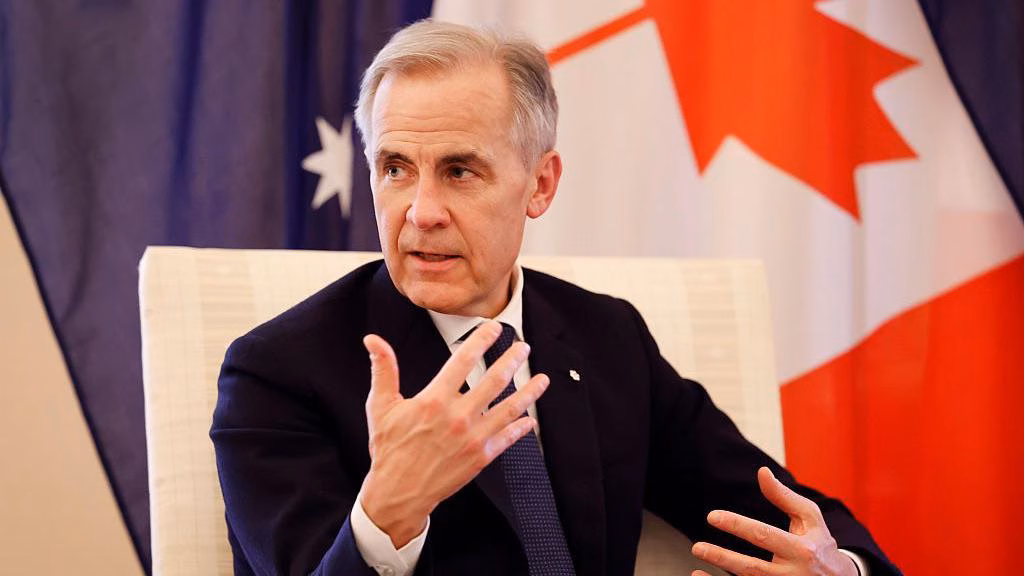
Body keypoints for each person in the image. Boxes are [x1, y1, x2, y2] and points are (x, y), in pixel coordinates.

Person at [211, 19, 900, 576]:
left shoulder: (607, 336)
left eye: (459, 171)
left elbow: (777, 512)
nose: (421, 211)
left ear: (539, 185)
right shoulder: (277, 372)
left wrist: (842, 568)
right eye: (395, 168)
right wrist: (386, 515)